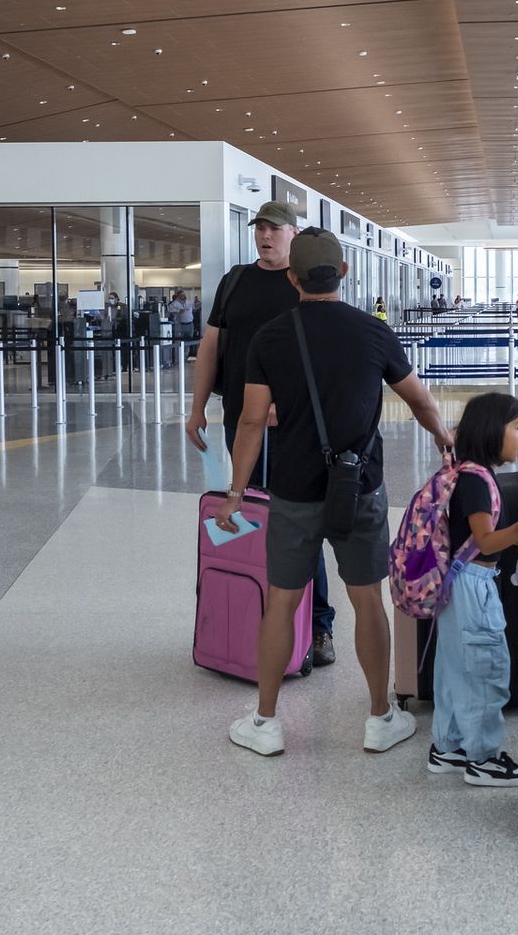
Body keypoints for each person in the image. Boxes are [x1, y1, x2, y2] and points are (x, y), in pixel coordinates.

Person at [214, 228, 455, 759]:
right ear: (343, 273)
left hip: (294, 492)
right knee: (367, 599)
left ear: (293, 279)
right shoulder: (373, 332)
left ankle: (266, 722)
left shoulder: (271, 338)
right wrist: (444, 438)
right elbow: (419, 400)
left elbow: (252, 422)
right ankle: (378, 718)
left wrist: (235, 493)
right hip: (360, 489)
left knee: (281, 603)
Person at [185, 201, 337, 667]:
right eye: (260, 229)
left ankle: (318, 624)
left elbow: (324, 352)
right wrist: (196, 408)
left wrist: (283, 401)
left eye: (274, 229)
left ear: (293, 233)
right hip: (241, 421)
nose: (264, 236)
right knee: (247, 514)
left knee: (295, 522)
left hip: (294, 426)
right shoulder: (235, 281)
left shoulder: (306, 284)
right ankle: (257, 612)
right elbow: (213, 344)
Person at [424, 392, 518, 785]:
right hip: (472, 584)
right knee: (485, 667)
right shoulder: (476, 479)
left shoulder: (469, 472)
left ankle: (448, 747)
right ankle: (484, 758)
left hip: (458, 585)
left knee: (455, 668)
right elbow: (487, 542)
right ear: (494, 430)